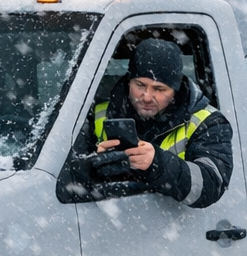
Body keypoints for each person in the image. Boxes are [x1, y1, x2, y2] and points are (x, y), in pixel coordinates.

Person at [82, 38, 233, 208]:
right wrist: (94, 165)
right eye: (140, 85)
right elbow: (70, 177)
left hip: (180, 229)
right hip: (108, 223)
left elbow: (210, 186)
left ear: (175, 90)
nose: (146, 96)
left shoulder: (208, 122)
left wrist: (156, 164)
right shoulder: (97, 113)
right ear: (128, 81)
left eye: (159, 89)